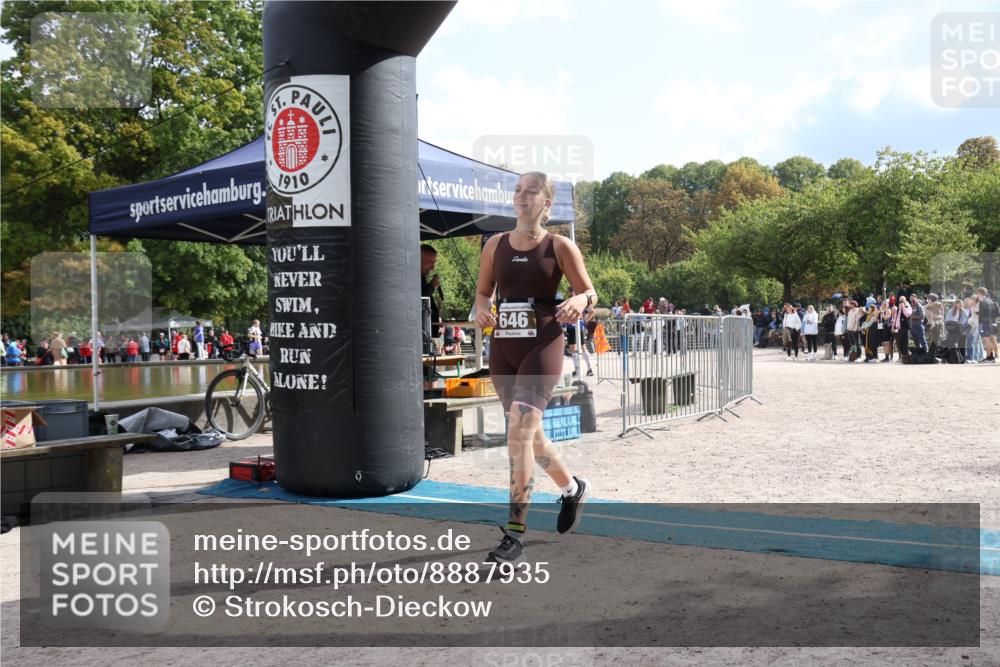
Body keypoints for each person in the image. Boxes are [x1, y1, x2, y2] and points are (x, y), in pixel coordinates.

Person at [473, 171, 593, 564]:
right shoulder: (494, 245)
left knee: (520, 431)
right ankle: (573, 488)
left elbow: (588, 291)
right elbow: (482, 293)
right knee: (530, 436)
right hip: (504, 347)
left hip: (543, 342)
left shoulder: (559, 245)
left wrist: (580, 300)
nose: (521, 196)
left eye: (531, 192)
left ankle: (515, 532)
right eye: (518, 191)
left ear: (546, 203)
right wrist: (481, 308)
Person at [421, 244, 444, 350]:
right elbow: (420, 296)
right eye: (430, 262)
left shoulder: (422, 279)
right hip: (421, 333)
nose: (433, 267)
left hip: (428, 333)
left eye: (434, 263)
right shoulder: (413, 277)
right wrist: (432, 286)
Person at [976, 287, 999, 363]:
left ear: (980, 293)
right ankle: (995, 355)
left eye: (977, 293)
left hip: (985, 322)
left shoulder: (982, 301)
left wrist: (978, 314)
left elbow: (981, 313)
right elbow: (998, 312)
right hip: (993, 321)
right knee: (992, 339)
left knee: (986, 339)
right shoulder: (992, 301)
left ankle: (989, 357)